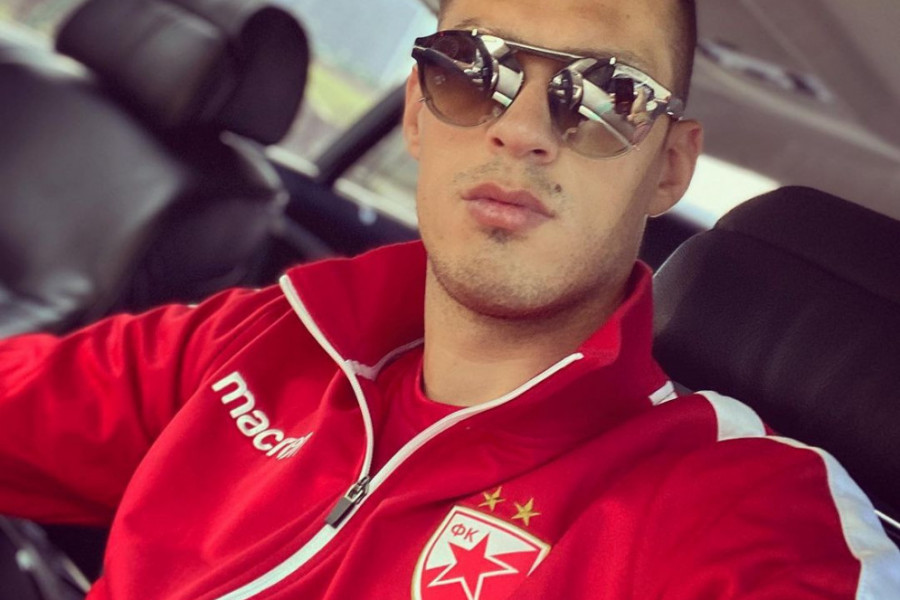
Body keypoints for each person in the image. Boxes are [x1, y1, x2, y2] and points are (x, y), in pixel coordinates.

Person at [1, 0, 898, 598]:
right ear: (417, 112)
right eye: (474, 68)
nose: (522, 127)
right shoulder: (273, 338)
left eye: (607, 94)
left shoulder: (743, 515)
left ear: (668, 166)